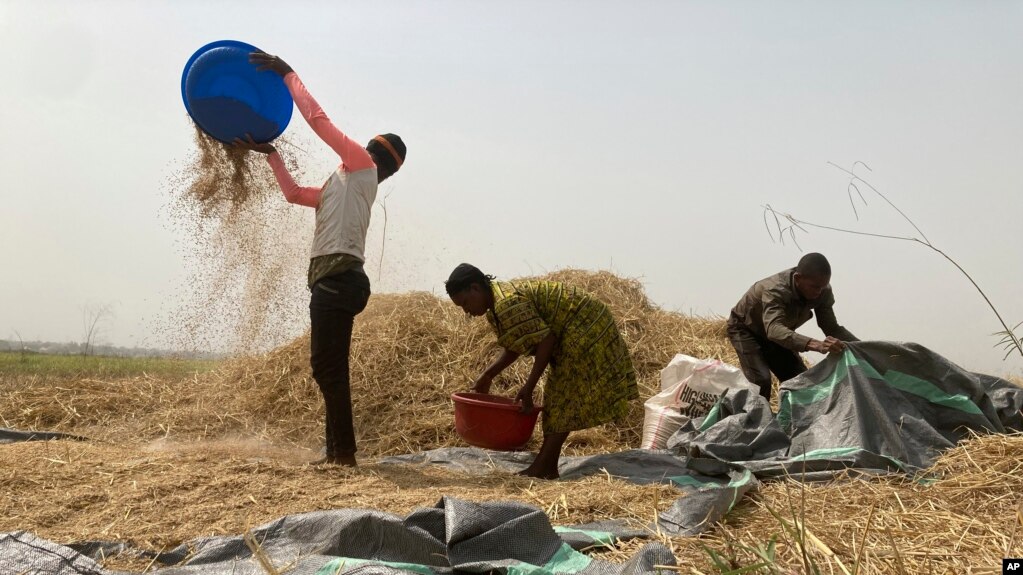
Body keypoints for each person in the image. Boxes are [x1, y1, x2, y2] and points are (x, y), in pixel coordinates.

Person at [233, 52, 407, 466]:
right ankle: (337, 451)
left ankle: (343, 453)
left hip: (339, 280)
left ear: (370, 153)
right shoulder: (338, 186)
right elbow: (294, 195)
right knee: (326, 367)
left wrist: (287, 72)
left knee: (328, 369)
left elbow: (318, 121)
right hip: (334, 281)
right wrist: (271, 154)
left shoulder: (361, 168)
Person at [445, 264, 638, 479]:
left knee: (561, 397)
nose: (467, 311)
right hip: (576, 327)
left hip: (587, 326)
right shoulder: (496, 308)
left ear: (475, 288)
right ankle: (546, 465)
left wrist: (529, 386)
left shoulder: (508, 303)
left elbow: (546, 340)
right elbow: (515, 344)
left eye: (465, 303)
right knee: (560, 398)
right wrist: (488, 375)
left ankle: (544, 467)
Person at [727, 252, 858, 401]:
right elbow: (774, 329)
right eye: (814, 287)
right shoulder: (775, 290)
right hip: (746, 329)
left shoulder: (822, 291)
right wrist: (816, 345)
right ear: (797, 278)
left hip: (778, 335)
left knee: (801, 380)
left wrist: (863, 348)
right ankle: (752, 421)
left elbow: (831, 327)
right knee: (761, 381)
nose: (818, 292)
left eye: (822, 287)